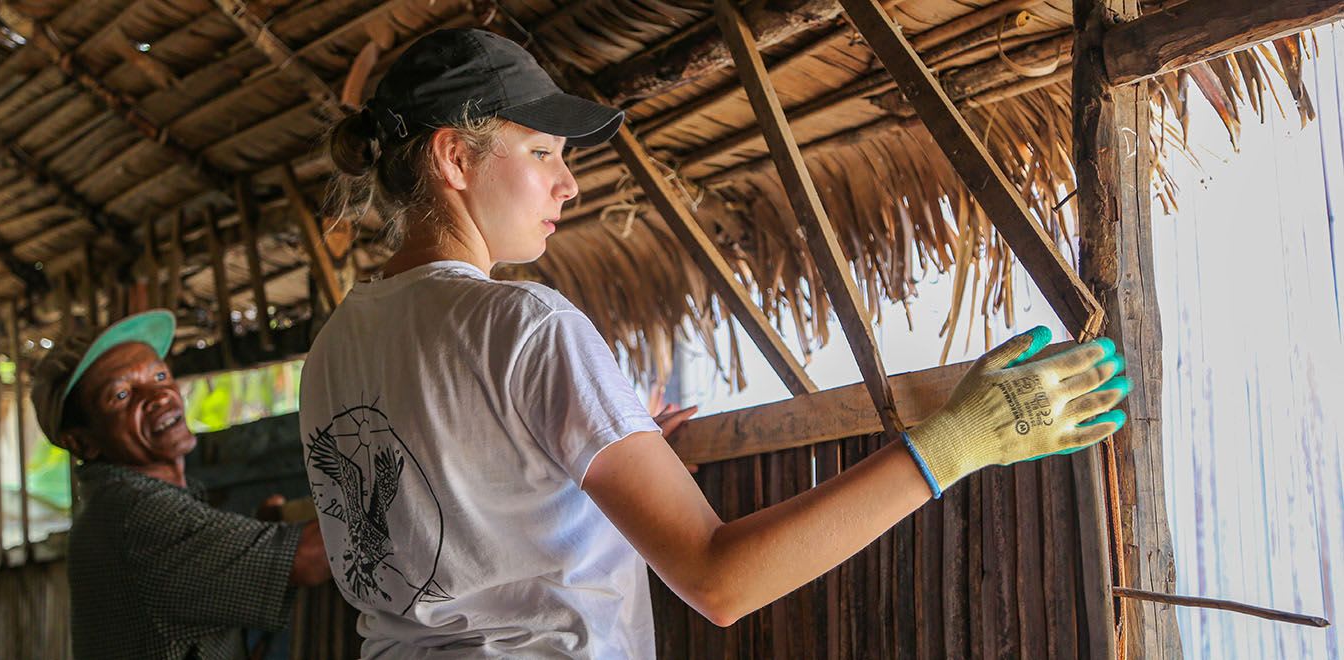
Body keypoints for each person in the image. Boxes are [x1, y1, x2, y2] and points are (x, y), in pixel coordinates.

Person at [299, 28, 1131, 659]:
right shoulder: (526, 324)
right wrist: (961, 438)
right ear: (453, 156)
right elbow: (719, 580)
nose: (569, 180)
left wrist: (609, 460)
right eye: (542, 150)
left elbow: (451, 513)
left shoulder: (334, 352)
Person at [30, 310, 332, 660]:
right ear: (83, 443)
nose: (159, 396)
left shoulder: (117, 508)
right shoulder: (137, 514)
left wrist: (264, 535)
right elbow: (308, 559)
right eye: (122, 395)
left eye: (159, 375)